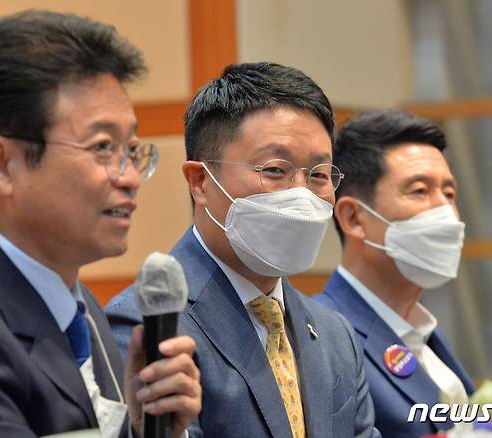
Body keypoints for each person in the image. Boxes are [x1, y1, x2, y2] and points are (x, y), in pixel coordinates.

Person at [0, 10, 201, 438]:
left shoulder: (79, 307)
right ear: (2, 164)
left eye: (131, 148)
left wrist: (143, 430)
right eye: (103, 147)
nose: (130, 177)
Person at [106, 62, 378, 438]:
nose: (301, 194)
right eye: (275, 169)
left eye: (318, 174)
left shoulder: (336, 334)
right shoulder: (146, 324)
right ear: (200, 181)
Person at [313, 110, 475, 438]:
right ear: (354, 218)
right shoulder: (321, 338)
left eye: (449, 194)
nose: (445, 211)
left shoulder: (424, 333)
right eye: (420, 190)